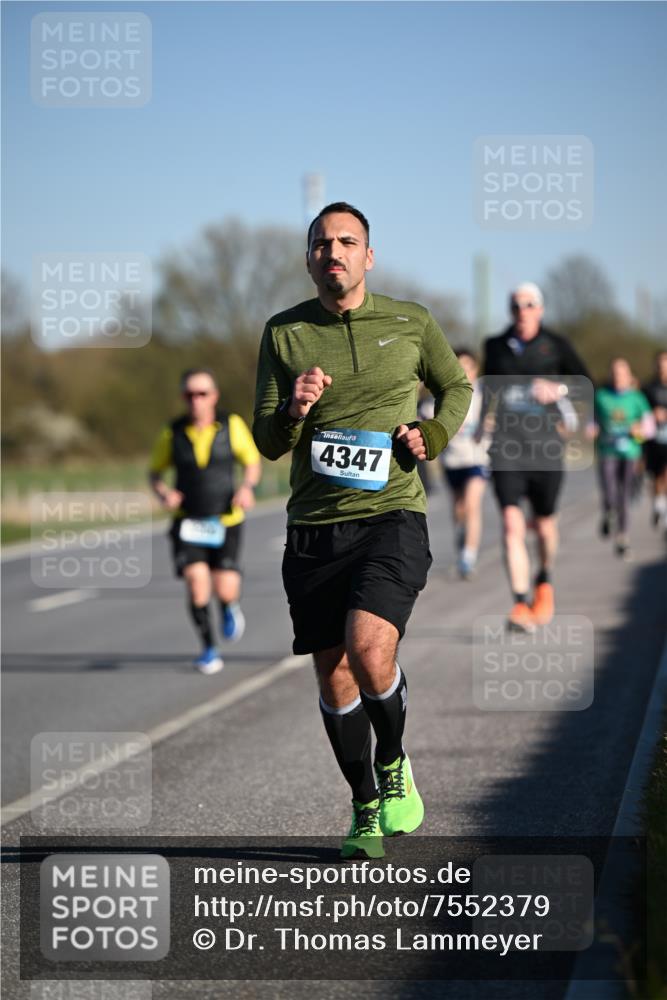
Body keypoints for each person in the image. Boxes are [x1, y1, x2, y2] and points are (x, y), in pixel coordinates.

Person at [253, 202, 471, 858]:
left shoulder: (411, 322)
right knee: (334, 675)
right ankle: (364, 804)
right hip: (315, 528)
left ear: (368, 256)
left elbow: (454, 388)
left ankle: (394, 761)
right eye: (321, 244)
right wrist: (294, 407)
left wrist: (431, 432)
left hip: (391, 513)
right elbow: (266, 439)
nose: (334, 253)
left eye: (347, 242)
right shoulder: (284, 332)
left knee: (368, 646)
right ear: (308, 258)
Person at [481, 282, 591, 633]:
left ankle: (544, 580)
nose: (522, 311)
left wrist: (558, 389)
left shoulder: (556, 345)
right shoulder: (494, 346)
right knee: (512, 526)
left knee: (544, 527)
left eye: (529, 305)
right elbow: (488, 391)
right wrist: (482, 424)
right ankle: (519, 602)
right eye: (515, 306)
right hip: (506, 448)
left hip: (545, 448)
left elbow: (586, 384)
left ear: (540, 309)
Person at [149, 368, 261, 674]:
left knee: (224, 588)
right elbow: (155, 472)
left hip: (226, 518)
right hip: (188, 521)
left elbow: (251, 462)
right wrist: (164, 493)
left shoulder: (231, 425)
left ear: (214, 396)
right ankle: (209, 649)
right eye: (189, 395)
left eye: (202, 394)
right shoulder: (172, 432)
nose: (196, 400)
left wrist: (247, 488)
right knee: (197, 586)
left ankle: (228, 606)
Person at [594, 358, 655, 559]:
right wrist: (591, 429)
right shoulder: (601, 396)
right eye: (614, 373)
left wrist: (637, 431)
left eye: (622, 373)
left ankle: (622, 538)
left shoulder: (637, 398)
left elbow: (649, 428)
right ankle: (609, 512)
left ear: (629, 376)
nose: (618, 377)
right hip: (607, 451)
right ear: (610, 375)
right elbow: (591, 422)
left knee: (625, 495)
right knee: (609, 490)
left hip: (630, 452)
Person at [440, 347, 491, 579]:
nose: (464, 371)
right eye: (459, 366)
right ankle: (461, 535)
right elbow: (429, 415)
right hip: (452, 459)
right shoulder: (445, 392)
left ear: (475, 369)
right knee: (459, 508)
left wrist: (489, 425)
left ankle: (468, 558)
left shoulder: (484, 394)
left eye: (468, 367)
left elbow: (495, 417)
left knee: (472, 505)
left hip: (477, 459)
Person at [642, 350, 667, 536]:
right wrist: (652, 415)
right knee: (657, 476)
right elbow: (640, 412)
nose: (662, 367)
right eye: (660, 363)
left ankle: (663, 513)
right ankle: (658, 507)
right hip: (654, 440)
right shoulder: (648, 388)